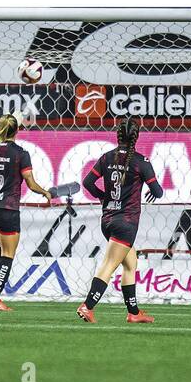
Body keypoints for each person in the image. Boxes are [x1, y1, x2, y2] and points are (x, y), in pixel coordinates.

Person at [77, 118, 163, 324]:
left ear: (118, 136)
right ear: (136, 137)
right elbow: (158, 192)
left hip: (108, 220)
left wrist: (102, 196)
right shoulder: (141, 162)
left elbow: (87, 182)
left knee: (130, 264)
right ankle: (87, 306)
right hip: (126, 222)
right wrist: (149, 190)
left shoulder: (106, 158)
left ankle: (133, 312)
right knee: (108, 265)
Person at [0, 115, 53, 310]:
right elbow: (31, 184)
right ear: (16, 131)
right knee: (8, 254)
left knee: (4, 249)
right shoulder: (20, 154)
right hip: (8, 207)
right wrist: (45, 193)